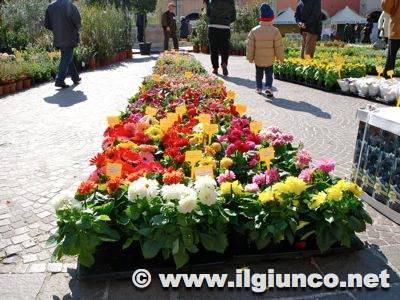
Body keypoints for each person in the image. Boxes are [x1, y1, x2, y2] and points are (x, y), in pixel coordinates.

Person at [246, 3, 284, 97]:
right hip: (269, 59)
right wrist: (280, 58)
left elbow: (250, 46)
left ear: (261, 18)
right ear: (271, 18)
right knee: (269, 74)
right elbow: (278, 47)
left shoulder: (254, 30)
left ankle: (258, 87)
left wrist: (250, 58)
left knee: (258, 74)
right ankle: (268, 87)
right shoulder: (275, 31)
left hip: (258, 59)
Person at [45, 0, 81, 89]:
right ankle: (59, 80)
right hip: (70, 36)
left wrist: (56, 29)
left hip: (58, 36)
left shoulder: (50, 7)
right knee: (66, 56)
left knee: (67, 56)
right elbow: (78, 22)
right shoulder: (70, 5)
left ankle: (75, 77)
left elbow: (47, 24)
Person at [204, 0, 236, 76]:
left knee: (213, 49)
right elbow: (233, 17)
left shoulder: (212, 1)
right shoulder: (230, 2)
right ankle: (224, 62)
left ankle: (215, 68)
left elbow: (208, 13)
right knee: (225, 48)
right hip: (225, 27)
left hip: (213, 26)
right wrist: (227, 21)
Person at [382, 0, 400, 76]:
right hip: (395, 29)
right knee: (391, 57)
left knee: (391, 58)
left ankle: (388, 76)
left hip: (395, 30)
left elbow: (385, 6)